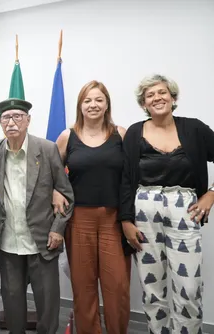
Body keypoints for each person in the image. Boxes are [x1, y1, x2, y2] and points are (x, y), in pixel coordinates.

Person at [120, 74, 214, 334]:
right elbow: (126, 180)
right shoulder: (135, 132)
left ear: (173, 98)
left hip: (184, 211)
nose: (157, 98)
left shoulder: (194, 129)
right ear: (144, 104)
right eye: (150, 95)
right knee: (152, 290)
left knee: (189, 286)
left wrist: (211, 194)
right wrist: (126, 221)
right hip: (144, 213)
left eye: (162, 93)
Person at [0, 98, 74, 334]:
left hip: (43, 240)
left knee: (47, 304)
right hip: (8, 242)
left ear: (28, 120)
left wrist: (58, 228)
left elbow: (66, 193)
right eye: (6, 117)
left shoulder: (46, 149)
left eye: (17, 116)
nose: (11, 122)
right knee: (12, 303)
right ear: (0, 122)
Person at [54, 81, 131, 334]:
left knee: (117, 287)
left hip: (114, 220)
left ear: (107, 103)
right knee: (84, 288)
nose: (93, 105)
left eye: (98, 99)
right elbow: (51, 174)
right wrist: (55, 190)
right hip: (79, 221)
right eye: (87, 100)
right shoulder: (68, 136)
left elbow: (133, 175)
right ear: (80, 105)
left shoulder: (121, 133)